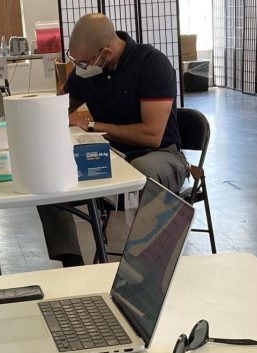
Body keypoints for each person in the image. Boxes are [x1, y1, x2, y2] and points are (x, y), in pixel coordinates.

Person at [36, 12, 189, 267]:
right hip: (111, 155)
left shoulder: (151, 64)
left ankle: (141, 269)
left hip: (161, 155)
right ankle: (72, 263)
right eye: (76, 62)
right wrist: (42, 114)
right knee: (48, 181)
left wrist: (92, 125)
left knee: (141, 173)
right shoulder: (88, 69)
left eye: (83, 62)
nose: (79, 67)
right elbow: (59, 108)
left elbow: (152, 135)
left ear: (105, 52)